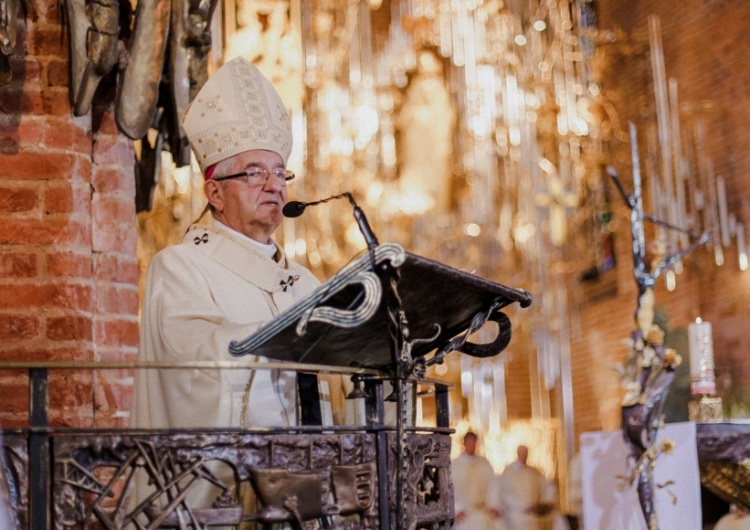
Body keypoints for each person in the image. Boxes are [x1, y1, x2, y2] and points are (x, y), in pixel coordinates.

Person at [130, 57, 341, 518]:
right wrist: (289, 335)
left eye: (279, 172)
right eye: (253, 173)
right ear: (214, 193)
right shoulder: (181, 266)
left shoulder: (305, 282)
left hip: (306, 496)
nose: (273, 186)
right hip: (223, 501)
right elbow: (194, 363)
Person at [487, 444, 556, 530]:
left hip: (533, 516)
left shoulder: (534, 472)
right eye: (522, 454)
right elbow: (505, 493)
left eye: (526, 454)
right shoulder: (509, 472)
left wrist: (543, 503)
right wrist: (524, 506)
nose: (524, 456)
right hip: (516, 517)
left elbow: (548, 487)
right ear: (518, 454)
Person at [451, 431, 496, 529]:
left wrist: (492, 504)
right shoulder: (455, 465)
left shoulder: (484, 464)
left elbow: (493, 485)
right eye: (469, 444)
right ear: (464, 444)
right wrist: (456, 508)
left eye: (474, 444)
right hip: (462, 515)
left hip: (481, 514)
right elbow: (449, 489)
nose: (472, 447)